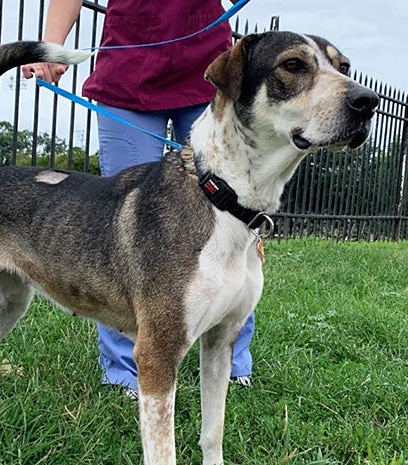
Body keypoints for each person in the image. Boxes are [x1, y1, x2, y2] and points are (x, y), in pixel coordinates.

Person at [23, 0, 255, 397]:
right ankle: (123, 370)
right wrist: (52, 46)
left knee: (234, 215)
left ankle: (231, 360)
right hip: (129, 70)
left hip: (206, 71)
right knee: (125, 224)